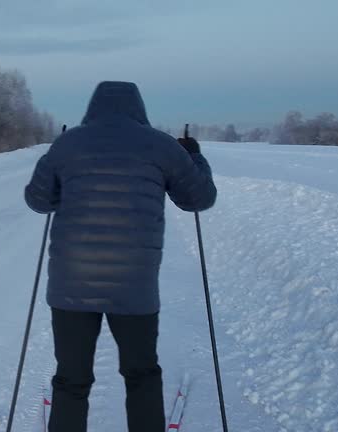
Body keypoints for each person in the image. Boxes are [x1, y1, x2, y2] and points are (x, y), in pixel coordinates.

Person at [24, 81, 217, 432]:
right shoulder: (161, 145)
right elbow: (198, 198)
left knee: (71, 379)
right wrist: (193, 156)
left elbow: (39, 201)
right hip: (135, 287)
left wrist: (58, 159)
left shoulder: (68, 144)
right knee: (141, 375)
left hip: (70, 286)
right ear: (139, 108)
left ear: (92, 107)